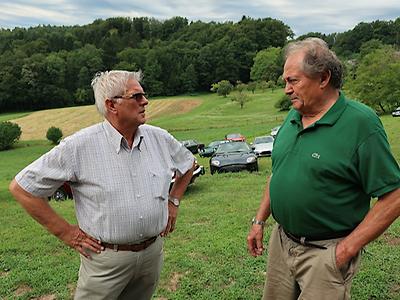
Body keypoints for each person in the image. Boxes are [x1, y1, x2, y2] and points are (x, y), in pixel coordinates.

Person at [9, 70, 195, 300]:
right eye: (136, 96)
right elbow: (22, 188)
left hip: (151, 254)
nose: (145, 101)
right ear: (112, 105)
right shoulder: (79, 146)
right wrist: (66, 232)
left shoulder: (159, 138)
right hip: (105, 261)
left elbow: (188, 164)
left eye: (143, 95)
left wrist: (173, 201)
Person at [247, 38, 400, 299]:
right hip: (282, 242)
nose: (286, 89)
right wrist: (260, 219)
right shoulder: (294, 115)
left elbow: (394, 196)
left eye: (293, 81)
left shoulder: (361, 123)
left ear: (323, 78)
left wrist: (344, 251)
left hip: (325, 252)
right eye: (285, 81)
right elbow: (279, 172)